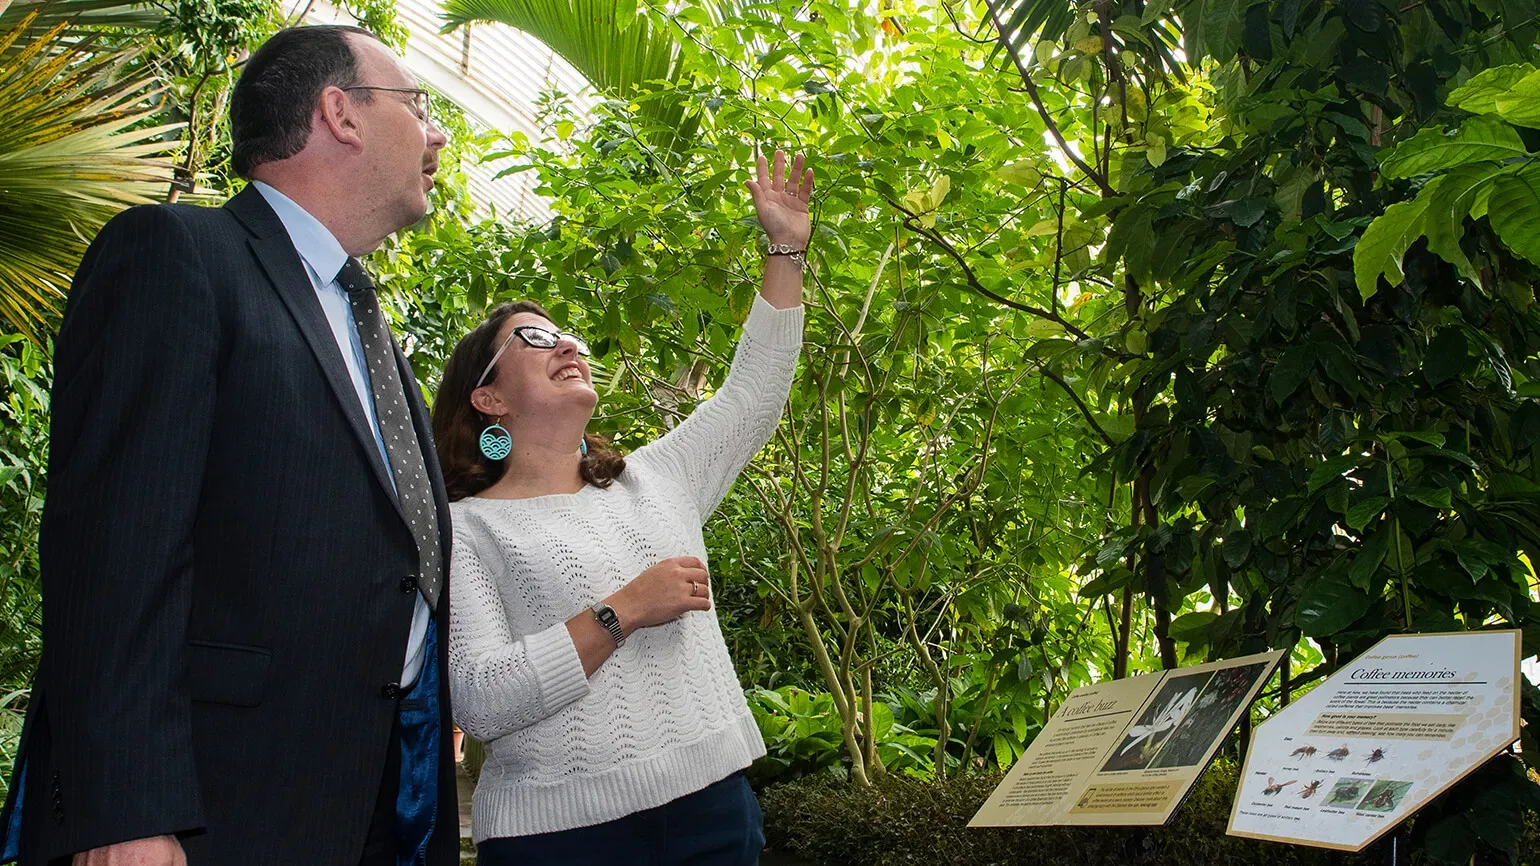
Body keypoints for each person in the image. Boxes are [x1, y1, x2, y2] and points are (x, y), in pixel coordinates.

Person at [0, 25, 459, 866]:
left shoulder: (365, 320)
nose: (435, 134)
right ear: (340, 114)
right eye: (419, 106)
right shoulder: (178, 256)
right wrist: (127, 811)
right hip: (213, 808)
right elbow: (114, 554)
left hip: (366, 799)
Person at [433, 151, 813, 864]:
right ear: (488, 398)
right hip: (559, 838)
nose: (567, 342)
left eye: (564, 331)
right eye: (535, 337)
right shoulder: (466, 527)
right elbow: (480, 699)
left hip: (713, 809)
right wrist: (624, 609)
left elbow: (753, 394)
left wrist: (785, 247)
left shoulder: (656, 476)